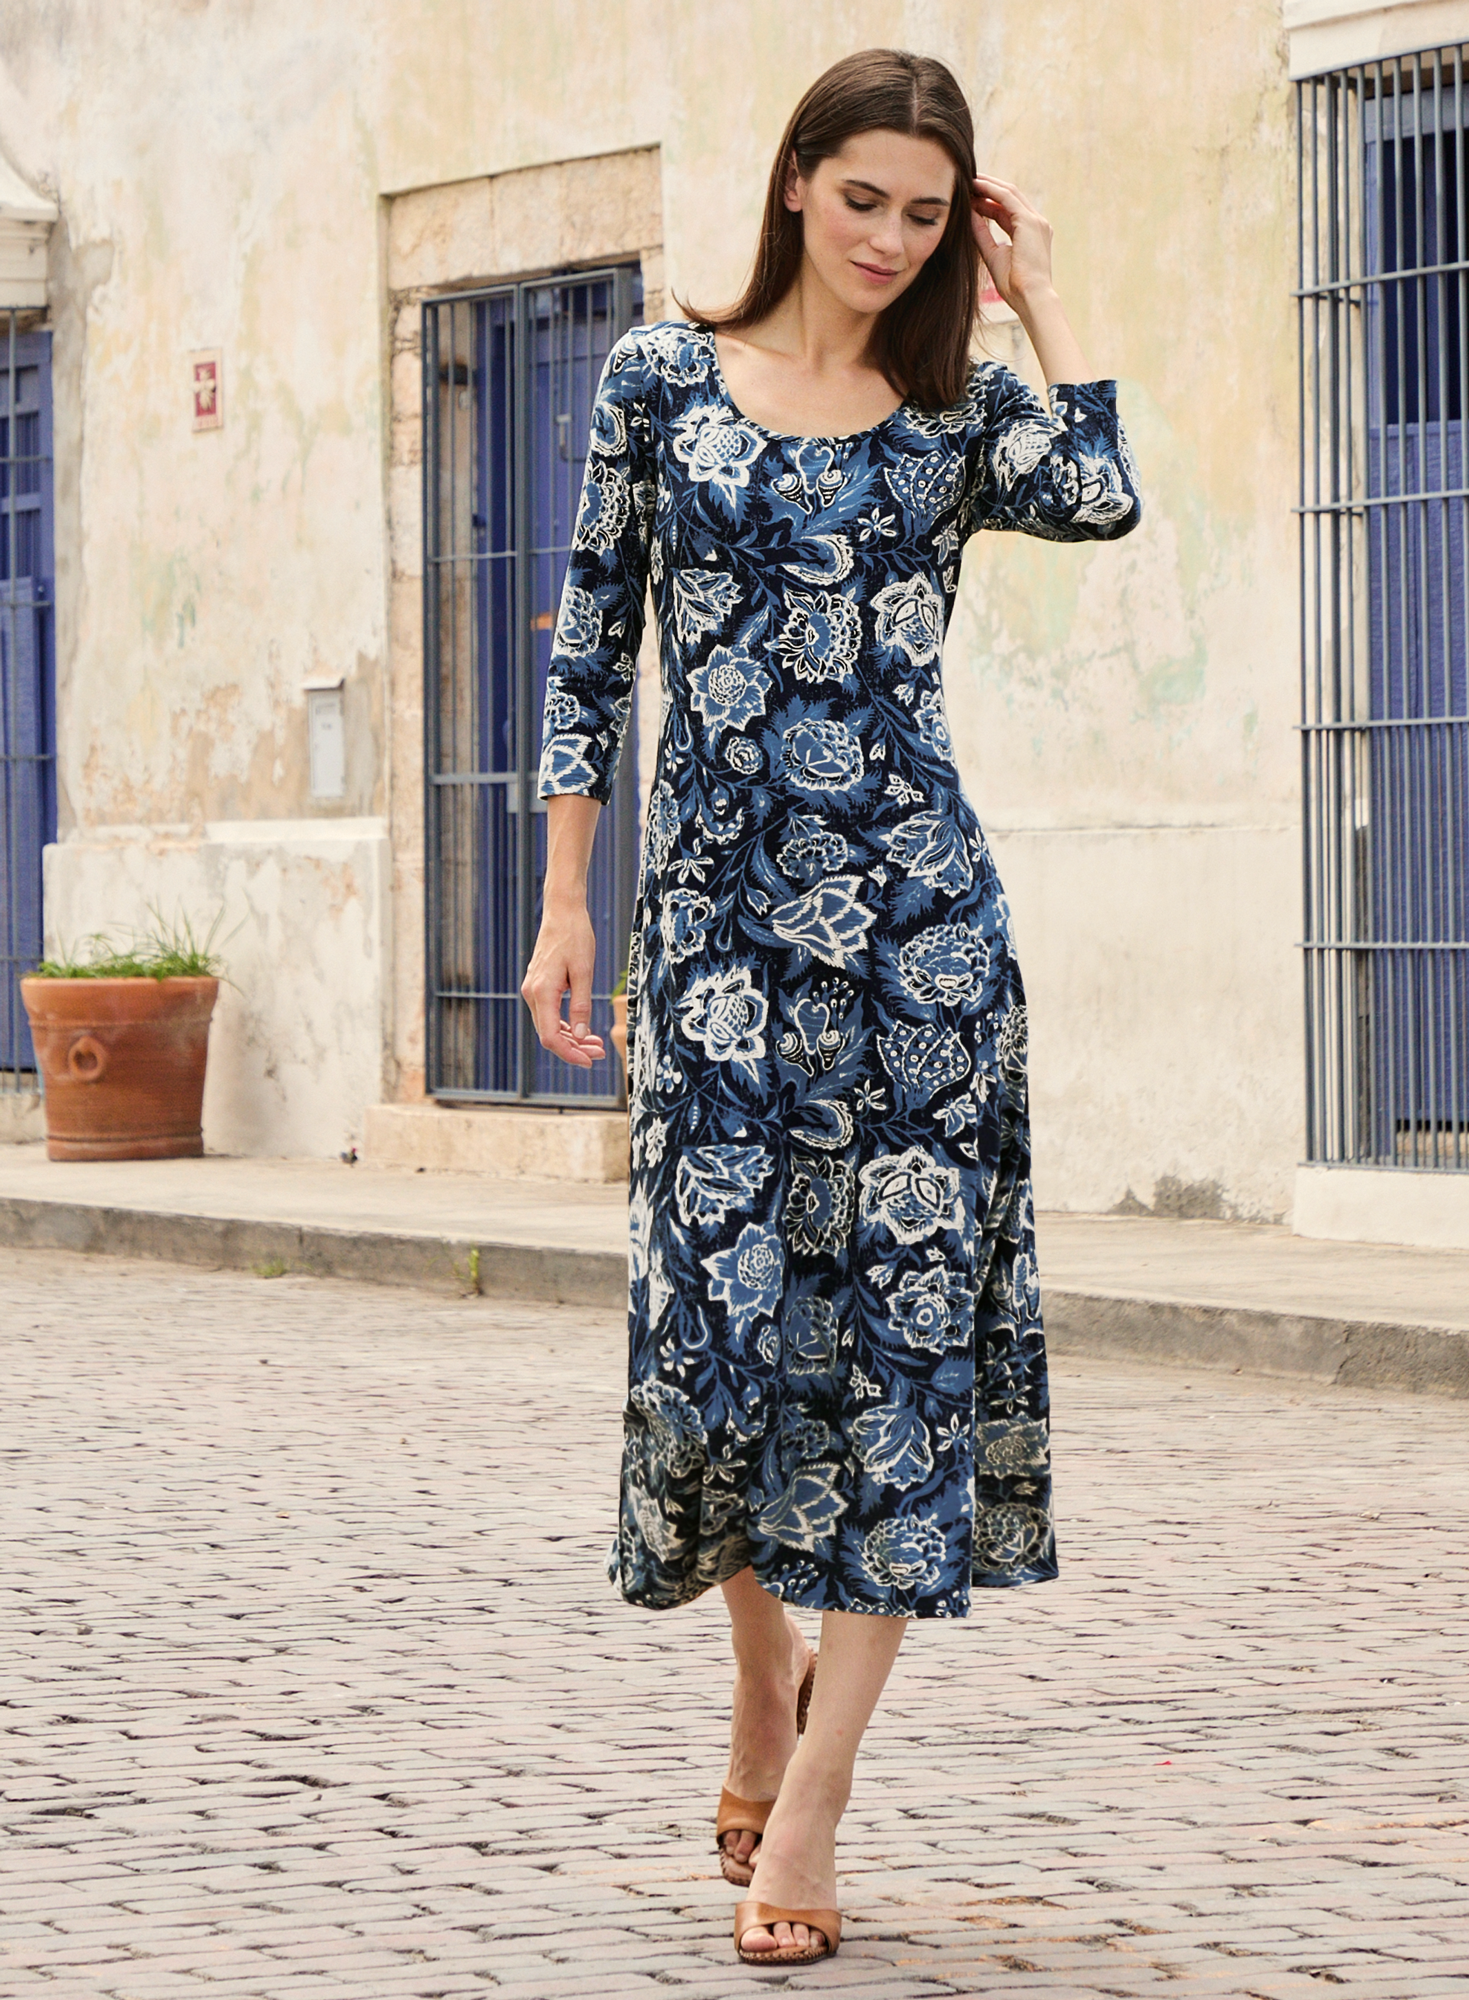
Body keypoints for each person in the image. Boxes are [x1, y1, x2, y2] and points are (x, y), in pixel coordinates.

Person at [521, 45, 1140, 1969]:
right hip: (714, 945)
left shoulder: (953, 410)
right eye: (863, 197)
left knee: (901, 1363)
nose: (889, 239)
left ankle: (817, 1799)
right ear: (796, 181)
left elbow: (1101, 494)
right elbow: (589, 644)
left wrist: (1044, 299)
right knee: (711, 1342)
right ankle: (755, 1664)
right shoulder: (659, 378)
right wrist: (566, 901)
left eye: (927, 215)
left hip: (921, 950)